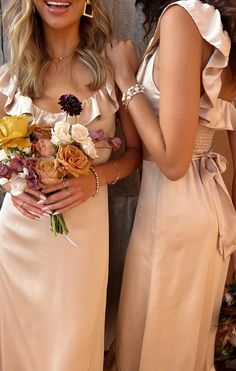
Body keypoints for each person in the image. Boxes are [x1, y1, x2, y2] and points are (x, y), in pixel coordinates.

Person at [0, 1, 141, 370]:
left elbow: (136, 154)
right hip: (19, 239)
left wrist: (94, 179)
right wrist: (10, 183)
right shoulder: (11, 76)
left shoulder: (110, 75)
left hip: (82, 242)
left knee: (73, 349)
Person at [104, 0, 236, 370]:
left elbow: (173, 161)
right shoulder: (208, 23)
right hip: (191, 209)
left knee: (157, 353)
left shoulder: (184, 17)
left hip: (174, 214)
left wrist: (127, 77)